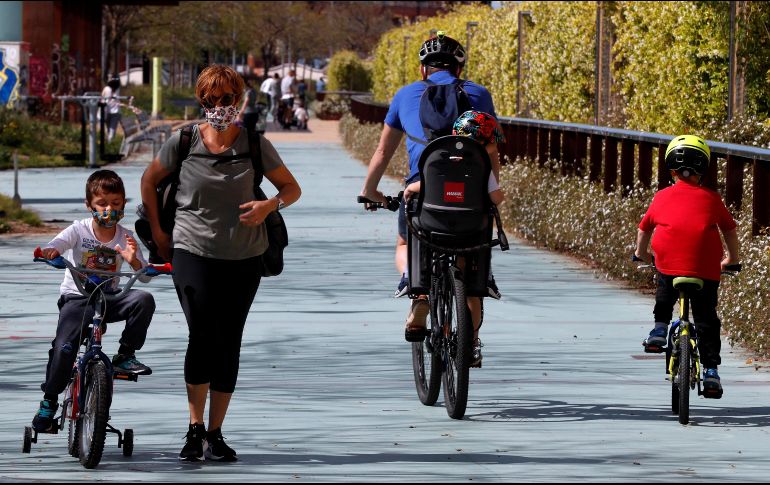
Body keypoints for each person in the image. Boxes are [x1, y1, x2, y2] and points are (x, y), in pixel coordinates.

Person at [139, 64, 301, 462]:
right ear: (202, 102)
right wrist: (160, 235)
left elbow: (291, 188)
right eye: (211, 100)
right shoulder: (184, 141)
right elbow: (149, 180)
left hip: (244, 257)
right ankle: (194, 428)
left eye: (227, 99)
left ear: (239, 100)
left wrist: (269, 205)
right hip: (192, 251)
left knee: (229, 341)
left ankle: (216, 433)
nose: (220, 107)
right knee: (202, 335)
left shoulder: (253, 144)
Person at [359, 31, 501, 346]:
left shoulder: (405, 95)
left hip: (423, 196)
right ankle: (471, 342)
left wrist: (370, 192)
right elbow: (491, 148)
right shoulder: (480, 95)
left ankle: (416, 287)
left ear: (424, 69)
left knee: (403, 243)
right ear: (459, 68)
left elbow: (383, 152)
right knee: (469, 263)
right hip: (472, 199)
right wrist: (494, 192)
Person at [31, 169, 156, 432]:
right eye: (102, 204)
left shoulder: (125, 236)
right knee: (64, 348)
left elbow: (143, 276)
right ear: (90, 205)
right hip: (79, 299)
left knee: (143, 299)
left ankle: (126, 354)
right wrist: (53, 251)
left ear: (123, 204)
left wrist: (134, 260)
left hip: (109, 299)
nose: (108, 209)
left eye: (115, 203)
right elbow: (60, 242)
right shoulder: (79, 230)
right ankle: (50, 399)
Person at [635, 134, 740, 398]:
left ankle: (659, 329)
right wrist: (732, 260)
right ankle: (712, 372)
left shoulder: (661, 196)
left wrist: (641, 254)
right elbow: (729, 230)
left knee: (664, 285)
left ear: (670, 169)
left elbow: (644, 229)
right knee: (706, 319)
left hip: (668, 262)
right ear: (704, 170)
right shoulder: (712, 199)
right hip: (705, 268)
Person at [401, 110, 505, 366]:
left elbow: (420, 187)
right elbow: (497, 198)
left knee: (417, 232)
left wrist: (409, 190)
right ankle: (471, 342)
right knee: (473, 290)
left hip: (435, 227)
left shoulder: (440, 159)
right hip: (470, 232)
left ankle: (421, 296)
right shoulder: (481, 167)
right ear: (488, 142)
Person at [100, 77, 122, 142]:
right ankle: (109, 144)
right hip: (110, 112)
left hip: (112, 112)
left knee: (110, 130)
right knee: (110, 130)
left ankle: (109, 143)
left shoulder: (112, 89)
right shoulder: (110, 89)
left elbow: (102, 99)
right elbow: (102, 98)